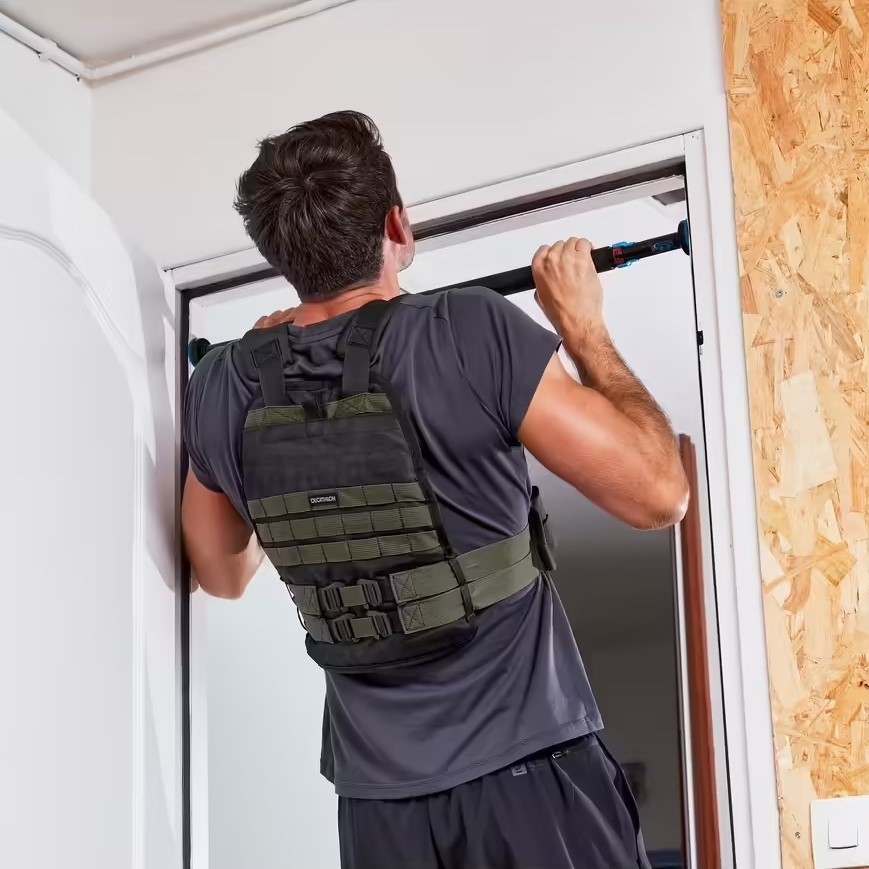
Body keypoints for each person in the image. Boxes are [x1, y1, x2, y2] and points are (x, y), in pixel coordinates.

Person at [182, 110, 689, 869]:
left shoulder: (224, 383)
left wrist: (261, 386)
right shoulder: (466, 330)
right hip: (531, 781)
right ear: (397, 224)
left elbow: (222, 575)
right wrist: (583, 330)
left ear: (281, 255)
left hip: (378, 811)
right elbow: (658, 493)